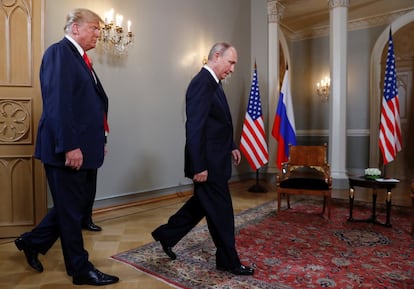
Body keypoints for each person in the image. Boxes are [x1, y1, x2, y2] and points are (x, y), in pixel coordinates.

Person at [14, 8, 118, 286]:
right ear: (75, 28)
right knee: (72, 211)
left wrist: (100, 140)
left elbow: (89, 107)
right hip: (67, 150)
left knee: (72, 206)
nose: (99, 33)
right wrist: (70, 146)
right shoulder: (59, 53)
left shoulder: (80, 59)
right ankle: (80, 270)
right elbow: (58, 104)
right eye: (94, 28)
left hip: (83, 148)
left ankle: (31, 242)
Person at [152, 42, 254, 276]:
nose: (232, 69)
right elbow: (195, 128)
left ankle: (166, 235)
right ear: (216, 56)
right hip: (207, 164)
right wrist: (199, 166)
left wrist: (231, 146)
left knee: (201, 205)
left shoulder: (214, 83)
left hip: (216, 159)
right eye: (231, 63)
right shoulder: (201, 83)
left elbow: (218, 122)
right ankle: (228, 260)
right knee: (222, 212)